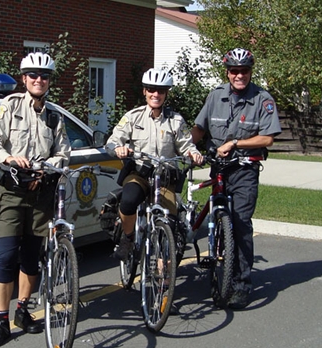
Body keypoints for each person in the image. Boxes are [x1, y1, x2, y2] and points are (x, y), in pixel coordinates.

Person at [0, 52, 71, 347]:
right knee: (7, 257)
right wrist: (7, 157)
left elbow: (63, 152)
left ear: (49, 81)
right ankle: (2, 320)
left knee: (31, 257)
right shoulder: (9, 106)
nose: (38, 80)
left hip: (40, 192)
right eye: (32, 75)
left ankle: (23, 310)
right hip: (10, 191)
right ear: (24, 79)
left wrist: (51, 164)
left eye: (44, 76)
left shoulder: (54, 115)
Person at [192, 48, 281, 310]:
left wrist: (235, 142)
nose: (239, 75)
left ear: (251, 71)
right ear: (227, 72)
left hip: (244, 169)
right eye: (234, 71)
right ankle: (220, 258)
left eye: (244, 71)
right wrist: (185, 147)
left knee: (240, 223)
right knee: (216, 215)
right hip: (219, 168)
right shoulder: (215, 96)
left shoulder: (262, 99)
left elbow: (267, 138)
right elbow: (199, 128)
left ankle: (242, 284)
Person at [105, 68, 203, 261]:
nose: (155, 94)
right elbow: (112, 140)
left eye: (160, 91)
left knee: (170, 223)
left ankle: (164, 272)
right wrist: (118, 148)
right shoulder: (133, 117)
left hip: (165, 177)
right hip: (140, 173)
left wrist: (194, 154)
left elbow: (186, 145)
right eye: (151, 89)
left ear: (166, 93)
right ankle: (128, 238)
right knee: (128, 201)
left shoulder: (175, 121)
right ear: (145, 91)